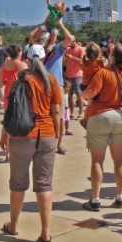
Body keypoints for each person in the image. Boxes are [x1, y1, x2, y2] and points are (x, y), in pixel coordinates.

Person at [0, 43, 62, 242]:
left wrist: (5, 133)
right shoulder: (51, 81)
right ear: (43, 59)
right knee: (44, 184)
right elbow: (57, 113)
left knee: (18, 184)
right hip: (46, 134)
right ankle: (45, 232)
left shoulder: (20, 79)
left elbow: (11, 109)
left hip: (22, 136)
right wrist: (58, 137)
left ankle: (14, 226)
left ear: (27, 59)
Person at [82, 43, 122, 211]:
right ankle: (120, 196)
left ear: (114, 57)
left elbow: (90, 92)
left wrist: (82, 94)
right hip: (121, 117)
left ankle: (95, 200)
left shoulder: (103, 73)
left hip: (100, 116)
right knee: (120, 159)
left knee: (97, 161)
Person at [41, 18, 73, 154]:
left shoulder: (59, 48)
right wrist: (49, 19)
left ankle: (57, 144)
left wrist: (60, 23)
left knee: (59, 117)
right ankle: (46, 143)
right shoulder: (39, 48)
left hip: (57, 85)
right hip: (42, 85)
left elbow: (70, 38)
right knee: (44, 115)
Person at [63, 36, 85, 121]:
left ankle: (81, 113)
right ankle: (71, 112)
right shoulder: (67, 49)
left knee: (79, 95)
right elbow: (64, 61)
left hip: (77, 75)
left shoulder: (80, 49)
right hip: (68, 74)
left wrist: (72, 58)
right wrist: (65, 58)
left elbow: (82, 61)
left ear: (74, 41)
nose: (69, 44)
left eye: (70, 42)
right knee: (69, 95)